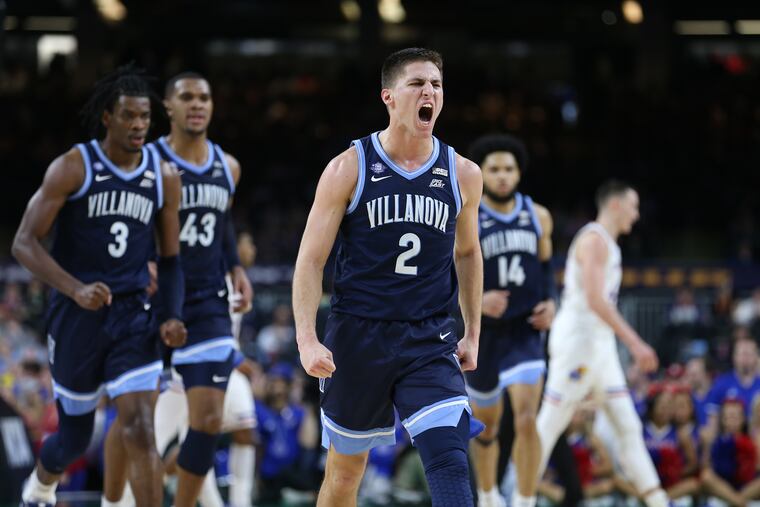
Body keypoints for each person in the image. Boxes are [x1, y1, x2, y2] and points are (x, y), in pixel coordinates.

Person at [292, 47, 484, 506]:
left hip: (428, 337)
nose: (429, 93)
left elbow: (470, 252)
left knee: (449, 457)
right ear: (389, 97)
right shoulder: (349, 168)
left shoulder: (462, 173)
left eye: (436, 85)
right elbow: (310, 261)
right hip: (358, 335)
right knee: (343, 477)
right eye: (417, 83)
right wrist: (306, 339)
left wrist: (472, 331)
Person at [12, 65, 186, 507]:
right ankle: (42, 484)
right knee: (73, 438)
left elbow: (170, 260)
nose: (138, 125)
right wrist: (74, 289)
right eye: (128, 116)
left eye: (145, 117)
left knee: (141, 427)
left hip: (131, 315)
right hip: (76, 316)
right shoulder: (73, 167)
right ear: (107, 117)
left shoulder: (163, 176)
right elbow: (24, 243)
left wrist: (170, 314)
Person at [102, 72, 254, 507]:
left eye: (204, 96)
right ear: (167, 107)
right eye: (186, 96)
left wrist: (237, 265)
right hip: (150, 300)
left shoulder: (229, 166)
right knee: (133, 416)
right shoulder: (145, 160)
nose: (197, 104)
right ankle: (112, 503)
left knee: (207, 418)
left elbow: (223, 223)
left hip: (207, 301)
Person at [535, 180, 670, 507]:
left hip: (600, 345)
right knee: (549, 427)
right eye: (633, 206)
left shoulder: (608, 242)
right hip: (578, 343)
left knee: (627, 425)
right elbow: (596, 299)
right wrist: (636, 343)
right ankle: (516, 498)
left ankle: (659, 501)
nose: (636, 215)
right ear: (615, 205)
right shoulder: (594, 240)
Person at [463, 134, 555, 507]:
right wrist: (476, 301)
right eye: (494, 169)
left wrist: (551, 302)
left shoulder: (538, 215)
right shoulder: (465, 216)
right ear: (482, 173)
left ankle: (525, 499)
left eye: (508, 169)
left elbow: (547, 267)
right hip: (484, 335)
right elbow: (449, 272)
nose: (502, 176)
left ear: (518, 173)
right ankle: (487, 495)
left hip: (525, 331)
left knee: (528, 418)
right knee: (486, 428)